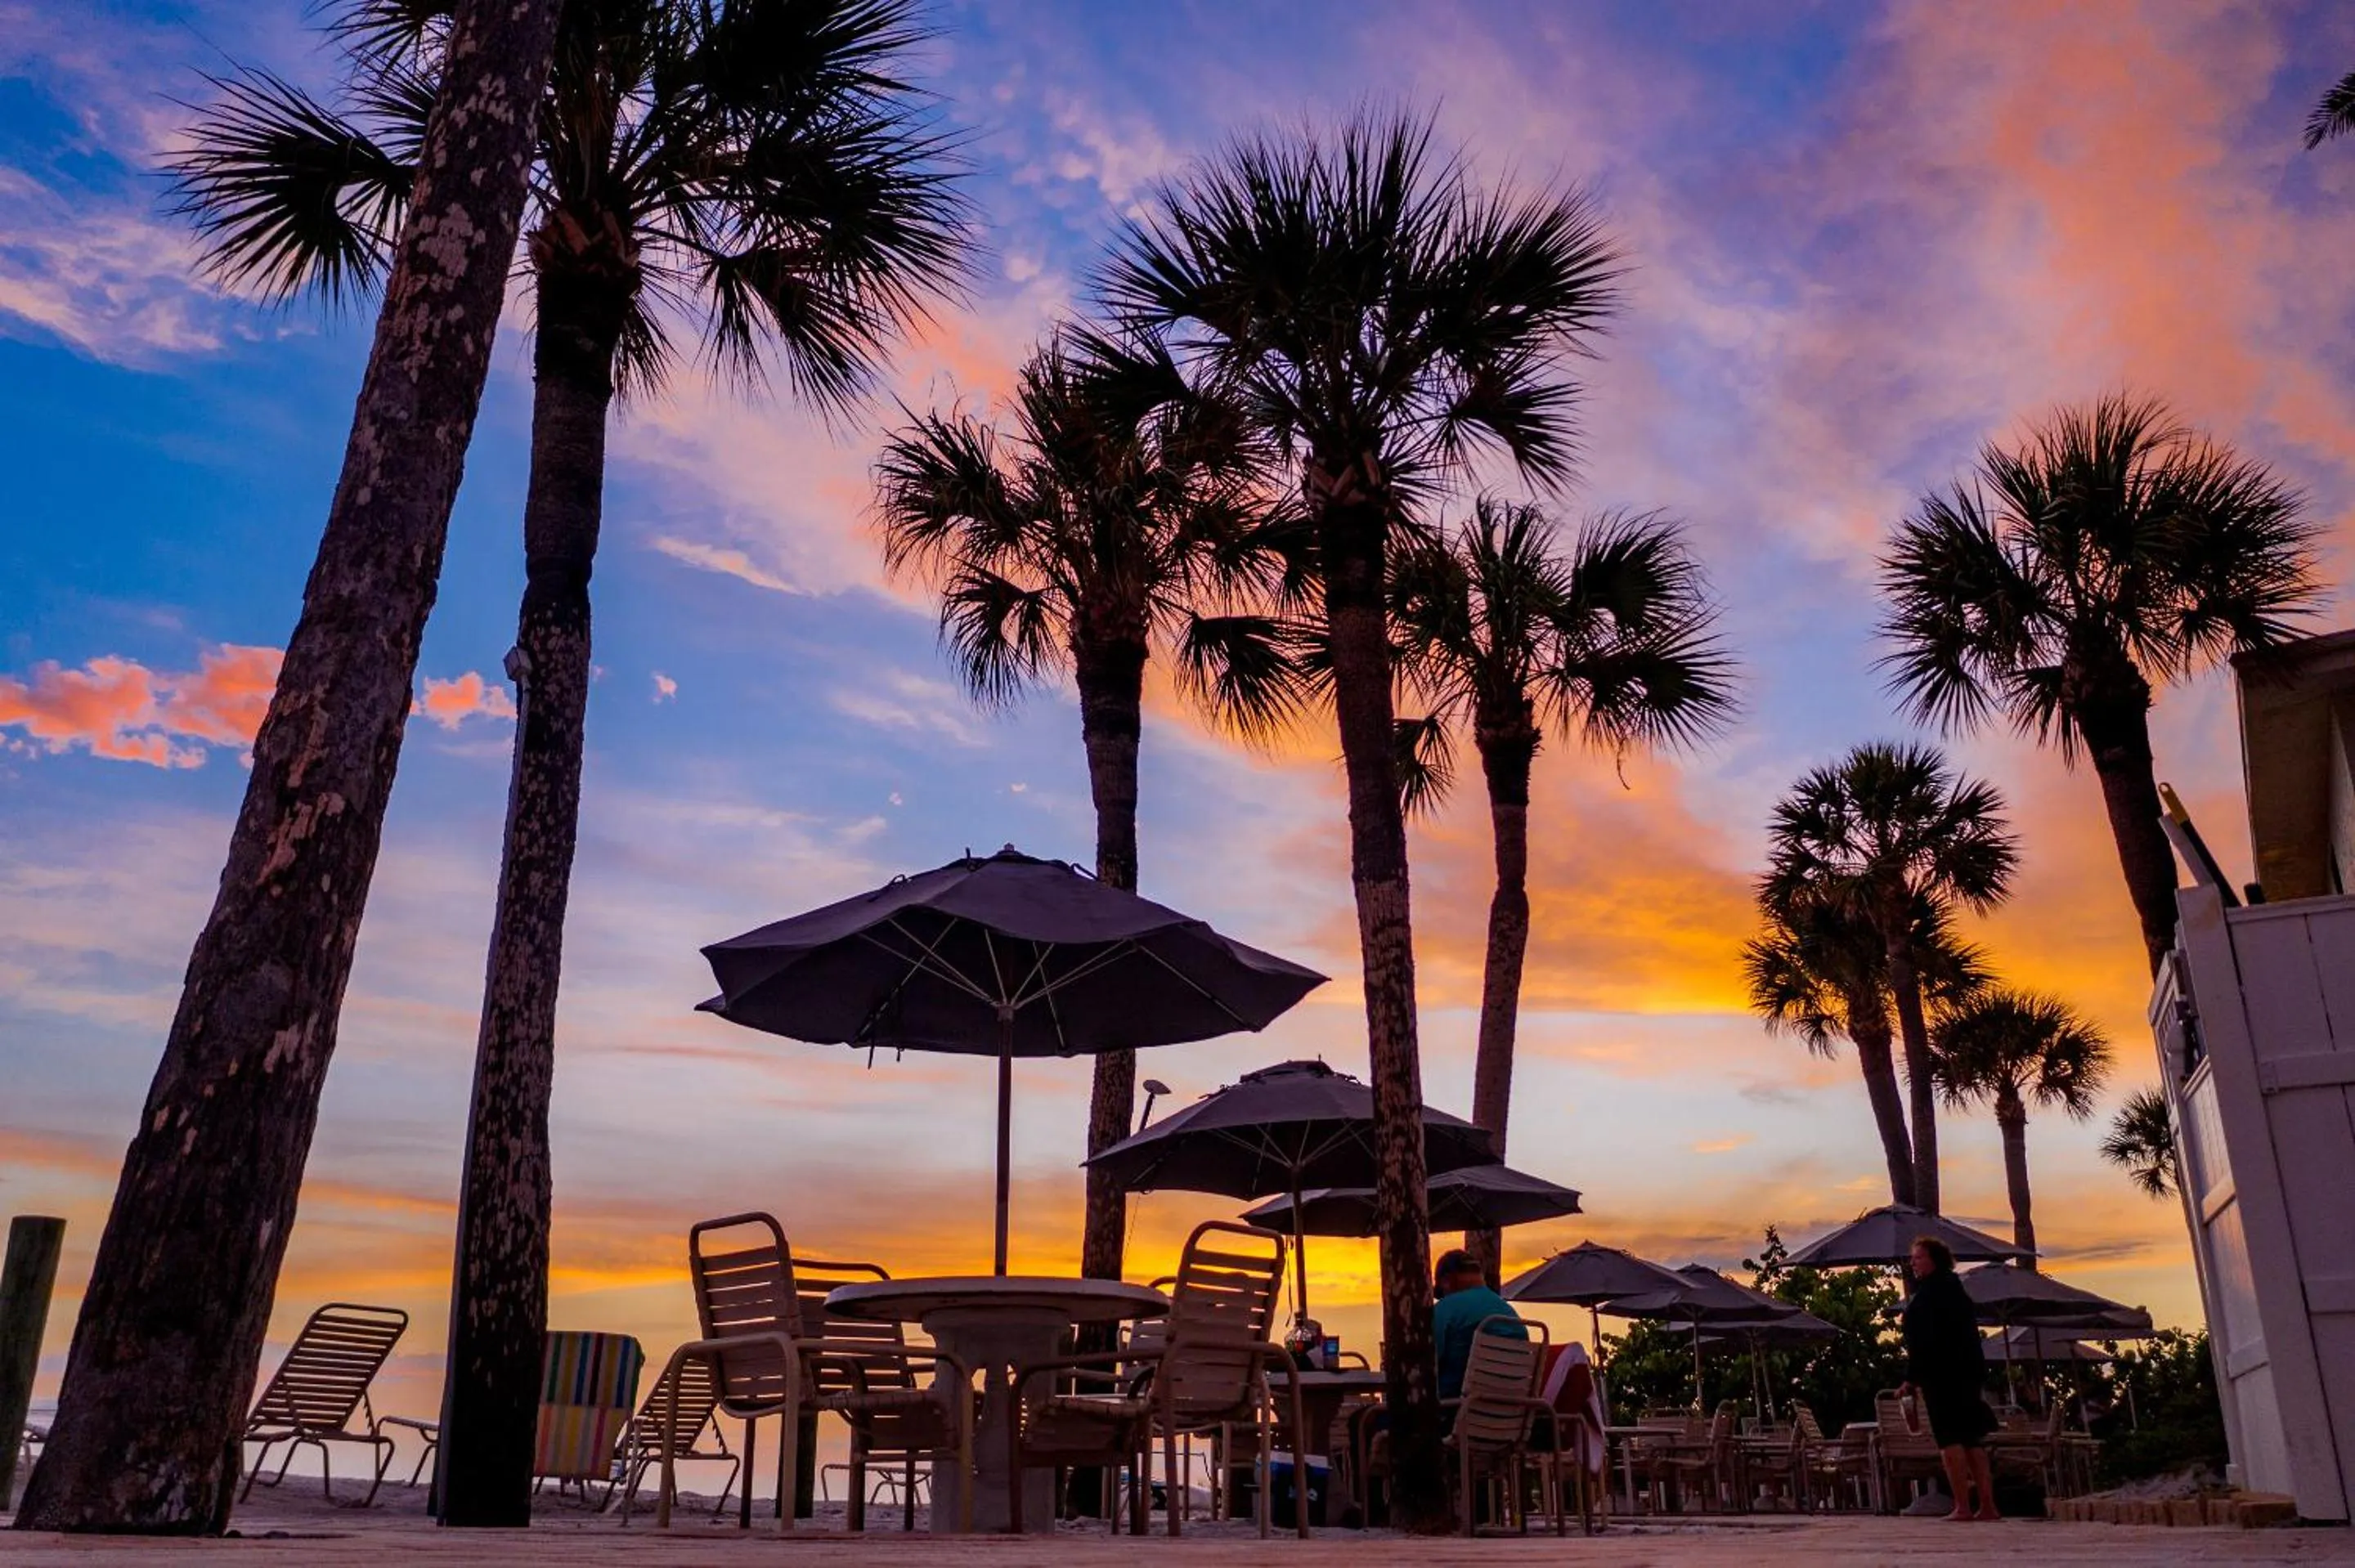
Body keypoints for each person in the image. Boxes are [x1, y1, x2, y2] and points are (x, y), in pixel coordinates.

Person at [1900, 1234, 2002, 1521]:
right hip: (1968, 1373)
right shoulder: (1956, 1290)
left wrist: (1911, 1378)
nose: (1913, 1263)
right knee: (1972, 1439)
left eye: (1918, 1257)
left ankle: (1963, 1506)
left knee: (1950, 1439)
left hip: (1942, 1377)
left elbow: (1925, 1343)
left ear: (1934, 1260)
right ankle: (1988, 1506)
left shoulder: (1930, 1296)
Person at [1431, 1248, 1523, 1400]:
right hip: (1511, 1414)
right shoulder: (1509, 1313)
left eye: (1440, 1293)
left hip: (1453, 1411)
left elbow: (1424, 1364)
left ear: (1446, 1281)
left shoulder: (1446, 1308)